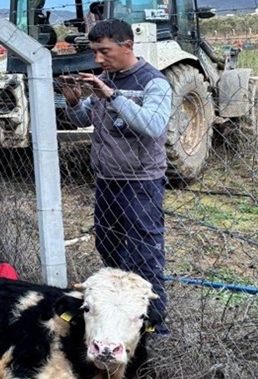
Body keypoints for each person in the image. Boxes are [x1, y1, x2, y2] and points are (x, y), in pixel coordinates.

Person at [57, 19, 172, 334]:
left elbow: (153, 125)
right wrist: (72, 100)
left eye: (104, 51)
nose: (98, 60)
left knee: (144, 256)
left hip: (141, 185)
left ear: (128, 46)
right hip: (106, 182)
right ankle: (121, 318)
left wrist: (112, 96)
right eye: (94, 52)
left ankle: (155, 327)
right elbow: (84, 119)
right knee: (110, 250)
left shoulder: (154, 82)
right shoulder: (105, 79)